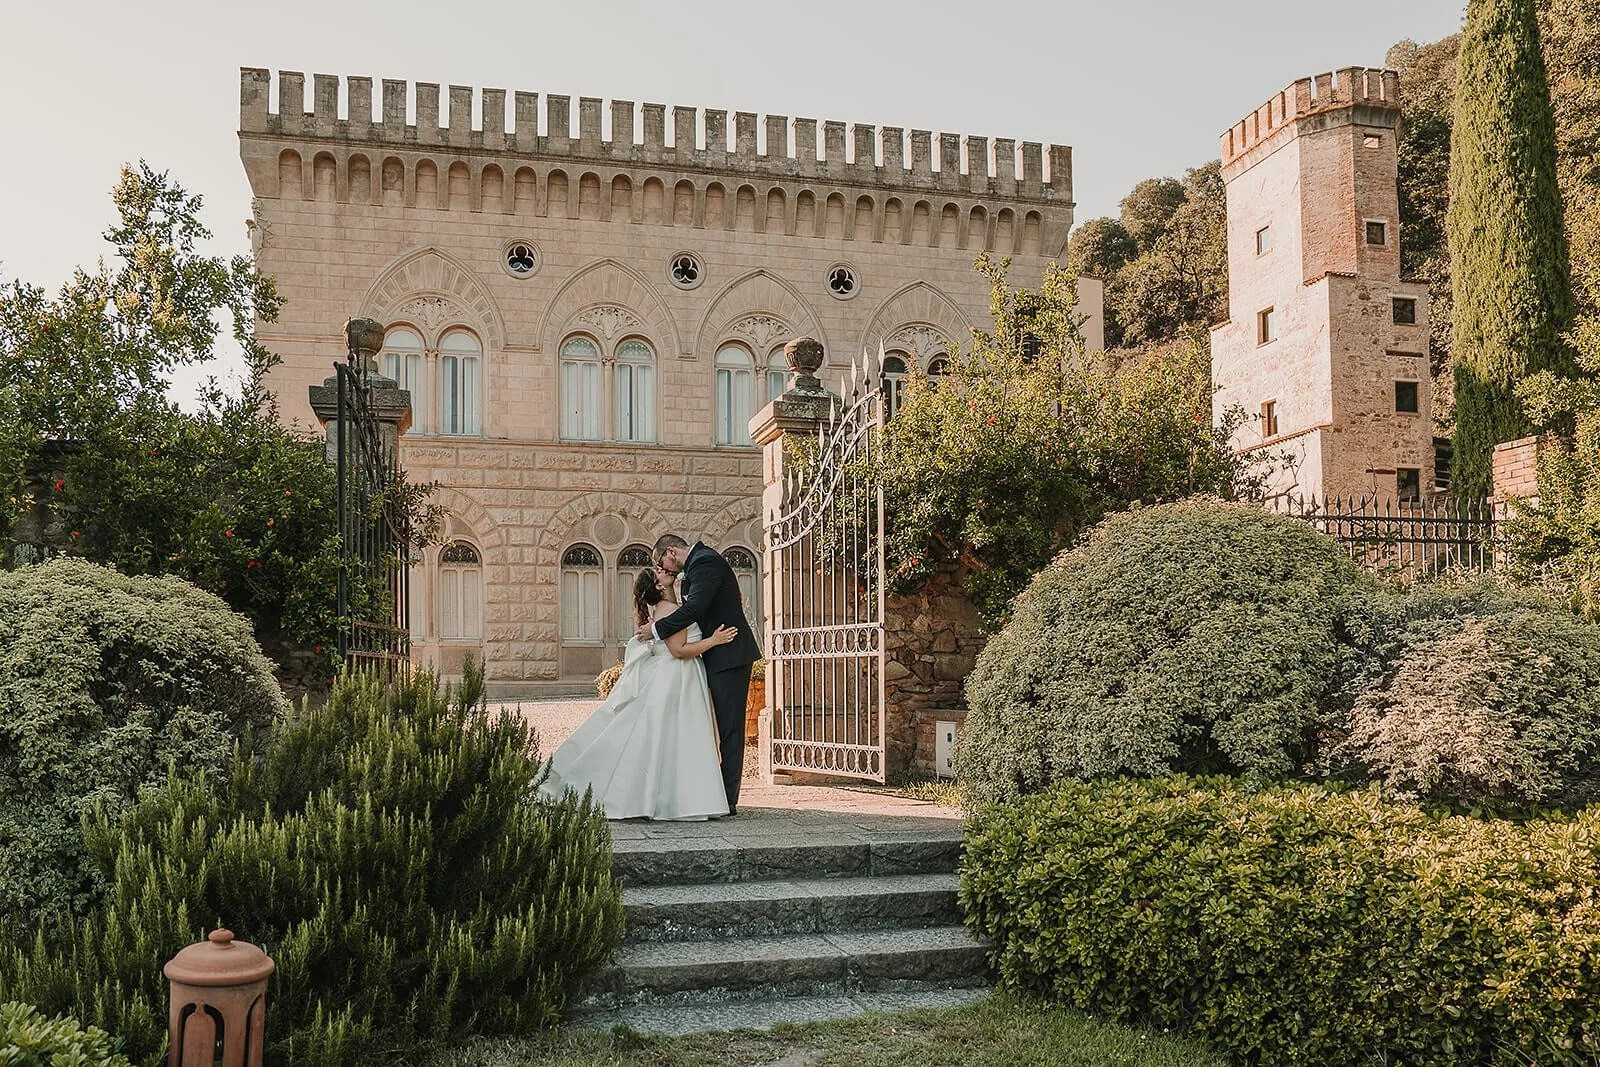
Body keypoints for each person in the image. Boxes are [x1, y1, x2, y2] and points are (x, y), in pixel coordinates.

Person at [539, 567, 737, 821]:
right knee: (675, 736)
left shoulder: (667, 609)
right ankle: (676, 800)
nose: (664, 571)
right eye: (659, 572)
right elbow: (679, 650)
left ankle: (669, 798)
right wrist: (714, 641)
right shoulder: (670, 611)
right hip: (677, 675)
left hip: (677, 676)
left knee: (668, 739)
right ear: (658, 586)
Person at [637, 533, 761, 815]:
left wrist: (656, 631)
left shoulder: (705, 563)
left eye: (662, 563)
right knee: (715, 729)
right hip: (714, 656)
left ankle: (728, 799)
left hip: (729, 655)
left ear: (671, 552)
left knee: (729, 729)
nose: (664, 570)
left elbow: (695, 609)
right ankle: (712, 792)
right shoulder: (696, 566)